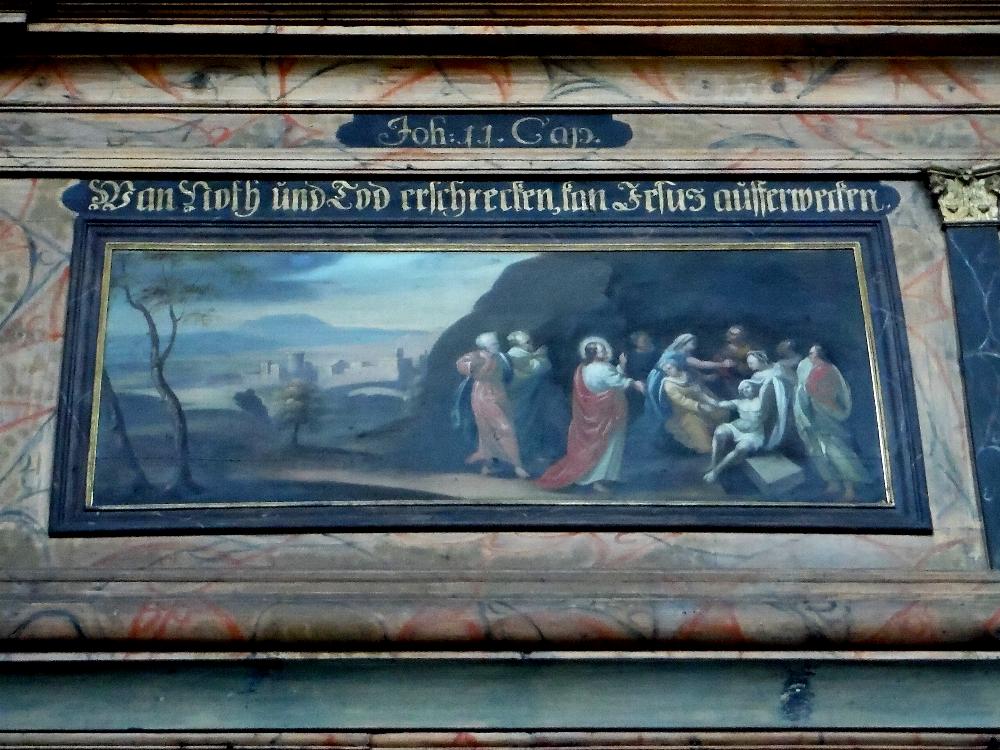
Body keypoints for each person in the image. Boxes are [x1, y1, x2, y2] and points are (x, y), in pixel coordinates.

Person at [537, 336, 645, 492]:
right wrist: (635, 384)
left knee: (602, 447)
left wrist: (621, 366)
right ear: (593, 354)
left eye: (604, 349)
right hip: (608, 414)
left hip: (598, 413)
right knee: (608, 446)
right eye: (601, 350)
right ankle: (598, 480)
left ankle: (603, 477)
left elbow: (613, 377)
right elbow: (619, 382)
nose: (605, 352)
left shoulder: (584, 368)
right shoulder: (602, 369)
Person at [794, 344, 870, 500]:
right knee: (819, 451)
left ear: (820, 355)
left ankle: (849, 488)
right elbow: (805, 391)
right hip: (815, 416)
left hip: (828, 415)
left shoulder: (829, 370)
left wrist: (812, 394)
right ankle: (833, 483)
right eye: (810, 354)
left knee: (838, 451)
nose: (810, 356)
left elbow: (830, 393)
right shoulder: (811, 369)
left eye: (812, 354)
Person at [454, 331, 529, 478]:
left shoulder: (502, 356)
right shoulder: (476, 356)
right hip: (483, 396)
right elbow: (462, 366)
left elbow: (509, 373)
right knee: (501, 429)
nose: (497, 345)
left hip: (500, 394)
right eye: (494, 344)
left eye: (496, 343)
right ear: (485, 347)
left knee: (500, 429)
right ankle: (517, 466)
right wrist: (477, 365)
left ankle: (490, 465)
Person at [660, 352, 728, 454]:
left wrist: (709, 400)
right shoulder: (668, 384)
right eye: (666, 370)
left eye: (670, 368)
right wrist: (699, 406)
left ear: (675, 366)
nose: (669, 371)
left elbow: (698, 390)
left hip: (700, 402)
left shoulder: (686, 375)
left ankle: (723, 437)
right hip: (685, 411)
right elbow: (682, 401)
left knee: (720, 412)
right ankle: (708, 446)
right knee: (696, 429)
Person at [505, 330, 554, 466]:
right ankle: (525, 458)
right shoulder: (517, 355)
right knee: (524, 427)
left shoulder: (520, 355)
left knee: (527, 427)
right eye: (527, 342)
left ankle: (525, 457)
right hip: (521, 400)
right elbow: (539, 368)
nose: (530, 344)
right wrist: (541, 356)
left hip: (524, 398)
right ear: (517, 345)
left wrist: (535, 356)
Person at [704, 379, 766, 483]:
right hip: (737, 428)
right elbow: (719, 404)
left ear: (753, 387)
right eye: (743, 389)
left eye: (747, 387)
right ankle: (713, 463)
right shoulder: (739, 402)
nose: (746, 390)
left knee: (742, 448)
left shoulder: (762, 401)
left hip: (753, 434)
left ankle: (716, 471)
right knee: (719, 432)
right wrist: (703, 396)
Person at [746, 349, 792, 450]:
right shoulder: (756, 376)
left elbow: (791, 381)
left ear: (761, 360)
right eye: (748, 363)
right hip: (764, 405)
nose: (749, 366)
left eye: (751, 363)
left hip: (782, 403)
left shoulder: (779, 368)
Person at [714, 324, 757, 397]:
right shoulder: (725, 348)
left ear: (742, 336)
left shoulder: (748, 348)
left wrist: (738, 363)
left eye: (734, 334)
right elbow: (718, 360)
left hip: (746, 375)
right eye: (730, 333)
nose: (731, 336)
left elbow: (752, 362)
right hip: (729, 377)